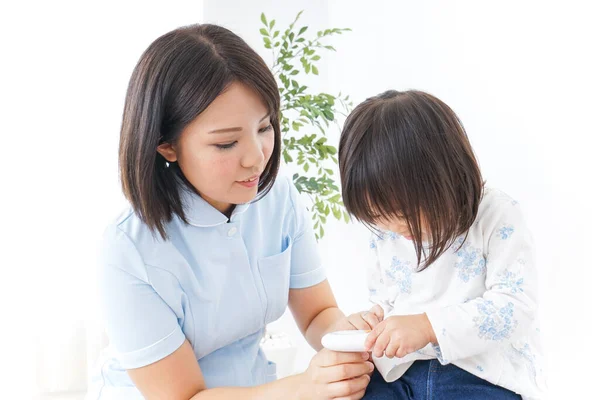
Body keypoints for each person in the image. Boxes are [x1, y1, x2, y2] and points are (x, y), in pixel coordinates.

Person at [86, 23, 373, 400]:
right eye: (226, 143)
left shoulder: (277, 197)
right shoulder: (127, 250)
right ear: (166, 146)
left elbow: (319, 314)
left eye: (265, 126)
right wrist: (305, 388)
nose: (256, 157)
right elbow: (185, 397)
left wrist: (352, 340)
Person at [337, 90, 546, 399]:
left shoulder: (495, 214)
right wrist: (373, 320)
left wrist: (428, 327)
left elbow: (514, 308)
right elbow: (391, 298)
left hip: (481, 373)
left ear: (440, 178)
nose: (393, 229)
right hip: (401, 373)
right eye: (378, 217)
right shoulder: (386, 233)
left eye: (402, 215)